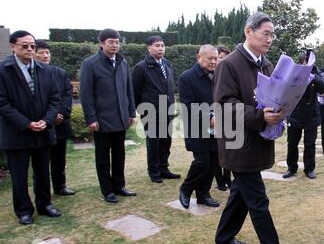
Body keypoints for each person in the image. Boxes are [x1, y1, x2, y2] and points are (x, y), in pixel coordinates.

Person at [213, 12, 301, 244]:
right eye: (266, 33)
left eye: (272, 34)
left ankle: (223, 235)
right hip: (238, 143)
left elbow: (275, 92)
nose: (270, 38)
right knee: (258, 200)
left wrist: (283, 107)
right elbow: (224, 106)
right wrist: (258, 115)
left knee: (241, 193)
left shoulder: (266, 63)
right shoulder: (228, 64)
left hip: (258, 137)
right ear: (248, 32)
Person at [0, 30, 62, 225]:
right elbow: (1, 103)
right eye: (25, 45)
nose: (30, 49)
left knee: (42, 172)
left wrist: (46, 121)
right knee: (20, 175)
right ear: (13, 46)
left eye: (32, 46)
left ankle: (45, 204)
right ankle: (24, 210)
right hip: (17, 133)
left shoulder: (45, 70)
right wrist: (26, 123)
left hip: (43, 131)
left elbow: (55, 99)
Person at [80, 29, 137, 203]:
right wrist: (91, 118)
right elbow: (86, 93)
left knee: (120, 155)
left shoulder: (122, 62)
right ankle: (107, 190)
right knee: (103, 157)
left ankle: (119, 186)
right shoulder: (90, 64)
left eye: (117, 42)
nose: (115, 45)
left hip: (120, 117)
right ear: (101, 44)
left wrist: (131, 112)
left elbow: (129, 89)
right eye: (111, 42)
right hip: (102, 120)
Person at [132, 36, 180, 183]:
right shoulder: (141, 67)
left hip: (168, 110)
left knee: (166, 141)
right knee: (154, 142)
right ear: (149, 48)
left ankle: (164, 168)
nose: (161, 48)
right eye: (157, 45)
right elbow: (135, 90)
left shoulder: (167, 64)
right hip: (151, 111)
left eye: (163, 45)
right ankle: (154, 171)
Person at [178, 44, 220, 209]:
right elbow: (188, 106)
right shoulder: (186, 78)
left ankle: (203, 194)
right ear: (199, 57)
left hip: (216, 127)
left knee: (213, 162)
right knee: (202, 162)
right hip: (197, 127)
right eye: (210, 58)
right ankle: (186, 189)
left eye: (216, 58)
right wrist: (209, 118)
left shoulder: (218, 75)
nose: (213, 62)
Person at [34, 39, 75, 196]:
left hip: (60, 123)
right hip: (43, 124)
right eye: (41, 53)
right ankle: (42, 192)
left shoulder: (60, 73)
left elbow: (67, 94)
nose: (45, 56)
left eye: (47, 52)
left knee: (59, 158)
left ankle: (60, 186)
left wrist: (62, 114)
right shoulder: (32, 74)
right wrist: (49, 117)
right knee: (42, 162)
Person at [282, 53, 324, 180]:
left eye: (308, 64)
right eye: (303, 64)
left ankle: (309, 169)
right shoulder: (293, 73)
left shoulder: (315, 74)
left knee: (309, 144)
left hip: (311, 115)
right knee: (292, 143)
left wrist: (313, 76)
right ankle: (291, 168)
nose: (305, 67)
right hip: (294, 114)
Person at [213, 46, 232, 191]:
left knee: (229, 148)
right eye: (220, 57)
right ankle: (219, 180)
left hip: (228, 118)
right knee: (215, 151)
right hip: (212, 118)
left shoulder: (229, 74)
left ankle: (228, 177)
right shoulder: (210, 74)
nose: (222, 60)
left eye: (226, 57)